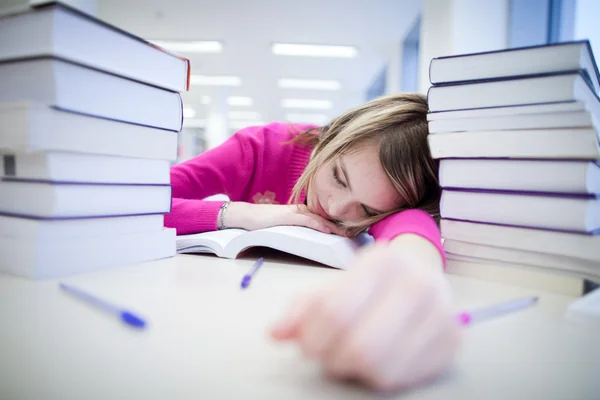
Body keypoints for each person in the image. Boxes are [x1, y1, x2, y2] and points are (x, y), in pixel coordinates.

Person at [165, 93, 461, 392]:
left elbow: (410, 227)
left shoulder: (388, 200)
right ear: (333, 135)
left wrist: (417, 269)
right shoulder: (261, 147)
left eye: (368, 211)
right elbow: (141, 197)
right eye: (338, 178)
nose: (335, 209)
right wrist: (241, 213)